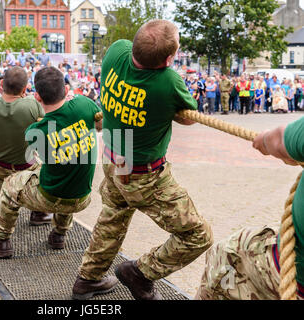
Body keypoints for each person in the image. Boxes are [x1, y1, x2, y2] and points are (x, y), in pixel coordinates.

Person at [72, 20, 213, 300]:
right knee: (198, 235)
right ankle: (140, 272)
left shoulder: (115, 52)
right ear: (169, 59)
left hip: (113, 159)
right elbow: (188, 116)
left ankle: (87, 280)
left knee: (112, 219)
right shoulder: (168, 82)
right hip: (143, 176)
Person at [0, 67, 102, 260]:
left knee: (9, 186)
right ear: (65, 90)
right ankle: (59, 235)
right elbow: (99, 125)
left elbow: (41, 147)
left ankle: (1, 242)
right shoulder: (85, 104)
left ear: (37, 97)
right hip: (83, 197)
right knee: (70, 170)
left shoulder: (36, 130)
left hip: (49, 197)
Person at [197, 118, 304, 300]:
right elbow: (129, 131)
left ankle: (139, 272)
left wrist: (264, 140)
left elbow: (278, 140)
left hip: (291, 275)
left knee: (215, 245)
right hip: (134, 174)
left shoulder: (170, 87)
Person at [0, 66, 51, 225]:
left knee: (0, 174)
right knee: (45, 166)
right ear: (25, 88)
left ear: (2, 84)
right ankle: (39, 212)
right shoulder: (32, 104)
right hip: (24, 167)